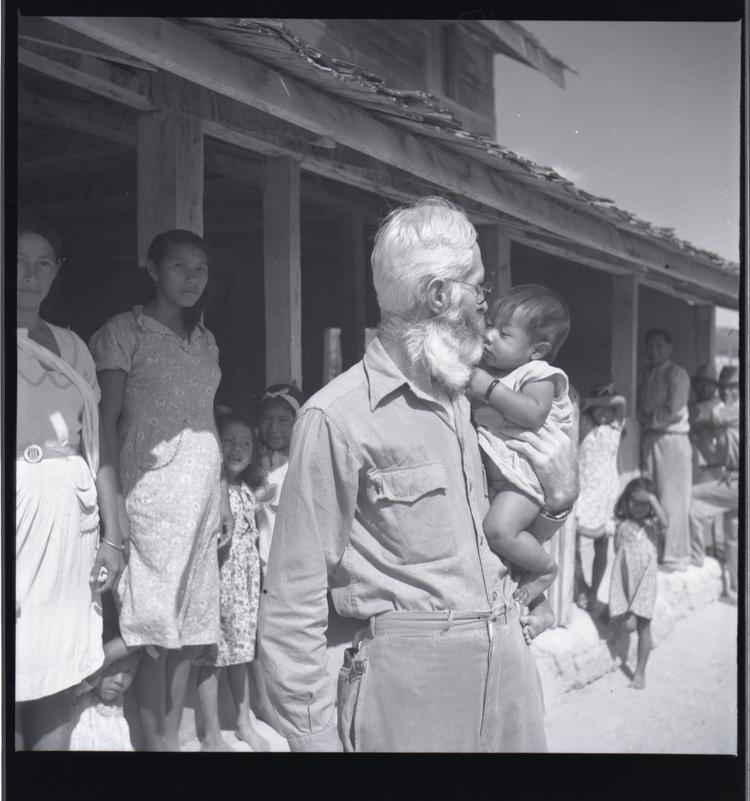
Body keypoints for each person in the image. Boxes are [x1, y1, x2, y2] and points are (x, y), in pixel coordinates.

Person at [257, 197, 578, 752]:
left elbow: (492, 542)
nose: (485, 304)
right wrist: (313, 740)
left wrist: (558, 503)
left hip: (509, 672)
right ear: (439, 296)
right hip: (411, 692)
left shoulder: (468, 400)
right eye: (478, 289)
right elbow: (293, 597)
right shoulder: (336, 416)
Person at [89, 230, 231, 751]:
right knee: (150, 632)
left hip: (200, 502)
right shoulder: (124, 333)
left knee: (186, 634)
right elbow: (105, 422)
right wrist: (115, 516)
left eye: (200, 270)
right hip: (149, 500)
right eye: (178, 267)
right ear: (152, 269)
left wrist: (222, 497)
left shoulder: (206, 339)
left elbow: (206, 420)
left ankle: (170, 742)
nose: (191, 279)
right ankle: (153, 747)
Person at [16, 217, 124, 750]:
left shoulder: (72, 346)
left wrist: (113, 535)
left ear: (57, 273)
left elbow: (97, 449)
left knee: (55, 660)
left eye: (41, 264)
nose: (28, 276)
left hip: (67, 518)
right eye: (15, 261)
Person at [468, 285, 573, 608]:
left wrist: (489, 388)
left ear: (537, 350)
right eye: (490, 326)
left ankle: (544, 569)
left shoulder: (538, 374)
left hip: (523, 482)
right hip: (498, 478)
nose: (488, 336)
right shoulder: (491, 370)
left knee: (499, 532)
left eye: (504, 333)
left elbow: (532, 414)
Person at [195, 412, 270, 752]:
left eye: (245, 443)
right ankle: (210, 734)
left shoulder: (248, 492)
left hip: (244, 590)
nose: (237, 448)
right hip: (218, 586)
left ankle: (243, 722)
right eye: (228, 441)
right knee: (212, 661)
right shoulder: (212, 489)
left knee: (241, 655)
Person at [637, 328, 691, 571]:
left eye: (659, 346)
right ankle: (657, 550)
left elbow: (675, 410)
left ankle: (675, 556)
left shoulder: (677, 374)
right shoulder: (647, 374)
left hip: (672, 440)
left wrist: (650, 420)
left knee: (672, 498)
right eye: (650, 346)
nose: (654, 351)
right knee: (652, 492)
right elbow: (639, 407)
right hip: (651, 438)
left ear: (670, 348)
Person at [609, 478, 669, 690]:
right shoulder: (620, 524)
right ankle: (616, 619)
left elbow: (666, 523)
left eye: (645, 504)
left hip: (645, 583)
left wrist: (652, 498)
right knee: (628, 625)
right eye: (634, 501)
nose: (638, 507)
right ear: (626, 500)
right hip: (624, 582)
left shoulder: (652, 526)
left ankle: (640, 672)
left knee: (643, 627)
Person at [689, 365, 739, 600]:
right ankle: (736, 590)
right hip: (733, 475)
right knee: (733, 535)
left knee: (690, 500)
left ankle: (696, 558)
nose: (727, 392)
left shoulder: (735, 409)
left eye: (733, 387)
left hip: (738, 480)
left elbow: (698, 418)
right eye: (723, 387)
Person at [574, 383, 626, 611]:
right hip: (584, 492)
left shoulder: (615, 426)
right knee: (573, 541)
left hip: (607, 493)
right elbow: (586, 408)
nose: (604, 414)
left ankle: (593, 591)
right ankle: (581, 586)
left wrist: (597, 403)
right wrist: (591, 406)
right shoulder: (584, 424)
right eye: (599, 409)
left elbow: (621, 402)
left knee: (601, 545)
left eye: (608, 409)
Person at [255, 384, 303, 575]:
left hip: (295, 563)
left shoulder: (304, 464)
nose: (274, 428)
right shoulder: (252, 463)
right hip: (258, 564)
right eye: (267, 419)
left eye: (284, 420)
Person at [70, 641, 142, 751]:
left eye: (129, 672)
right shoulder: (78, 695)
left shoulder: (125, 707)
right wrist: (143, 638)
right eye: (113, 667)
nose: (119, 680)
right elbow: (103, 657)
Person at [688, 365, 721, 478]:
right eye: (700, 383)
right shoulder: (691, 405)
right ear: (693, 385)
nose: (704, 387)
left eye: (709, 383)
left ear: (716, 387)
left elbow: (692, 417)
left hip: (715, 466)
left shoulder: (718, 404)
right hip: (695, 464)